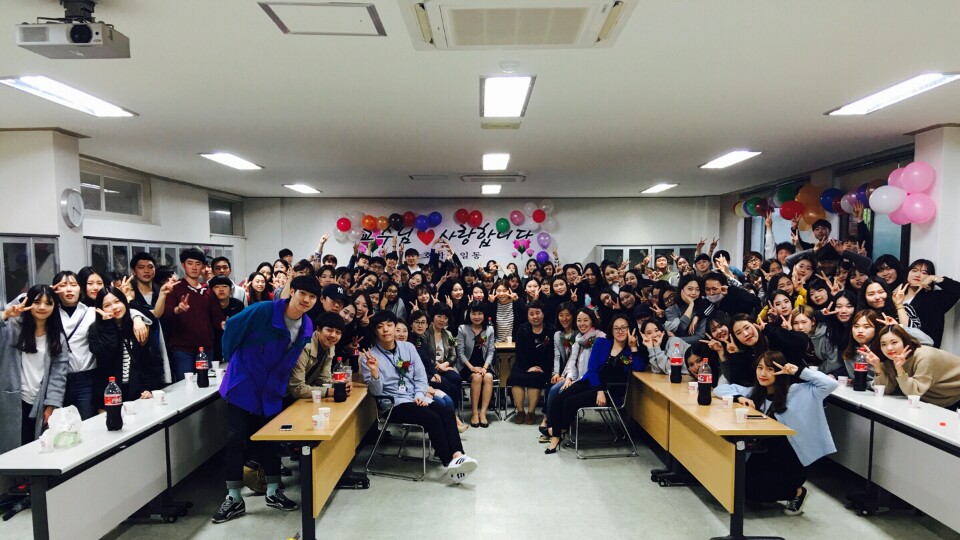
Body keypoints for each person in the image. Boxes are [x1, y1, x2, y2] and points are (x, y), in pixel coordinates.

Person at [213, 276, 321, 523]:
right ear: (292, 291)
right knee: (236, 438)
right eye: (302, 293)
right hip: (244, 382)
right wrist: (235, 362)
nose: (306, 300)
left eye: (312, 297)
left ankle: (273, 491)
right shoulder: (263, 310)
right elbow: (231, 328)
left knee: (273, 438)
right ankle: (233, 497)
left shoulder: (306, 325)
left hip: (272, 387)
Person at [714, 351, 839, 515]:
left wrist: (798, 371)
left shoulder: (799, 391)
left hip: (792, 457)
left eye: (770, 369)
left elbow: (830, 384)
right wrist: (738, 398)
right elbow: (720, 389)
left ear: (780, 371)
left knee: (753, 490)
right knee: (738, 486)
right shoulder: (755, 393)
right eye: (760, 368)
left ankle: (797, 492)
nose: (763, 373)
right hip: (765, 455)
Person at [361, 310, 479, 483]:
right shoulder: (369, 357)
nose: (385, 330)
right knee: (432, 417)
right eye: (380, 327)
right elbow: (377, 393)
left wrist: (419, 394)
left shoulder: (408, 348)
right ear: (375, 331)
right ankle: (450, 463)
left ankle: (458, 455)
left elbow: (420, 376)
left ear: (394, 327)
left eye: (389, 325)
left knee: (445, 410)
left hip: (415, 397)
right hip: (393, 404)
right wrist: (375, 373)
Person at [544, 314, 645, 453]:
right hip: (593, 383)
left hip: (611, 392)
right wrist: (599, 390)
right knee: (559, 396)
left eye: (624, 328)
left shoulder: (629, 350)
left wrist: (633, 347)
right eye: (616, 328)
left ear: (630, 329)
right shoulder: (602, 342)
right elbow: (592, 368)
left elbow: (638, 367)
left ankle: (557, 433)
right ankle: (557, 432)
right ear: (612, 330)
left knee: (570, 402)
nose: (620, 331)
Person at [0, 286, 69, 453]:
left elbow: (59, 373)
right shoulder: (12, 327)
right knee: (11, 449)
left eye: (48, 303)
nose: (42, 307)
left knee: (36, 448)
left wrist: (52, 404)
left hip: (39, 400)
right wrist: (5, 314)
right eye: (37, 302)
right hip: (11, 399)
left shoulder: (57, 336)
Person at [88, 287, 164, 402]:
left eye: (117, 301)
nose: (114, 307)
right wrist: (108, 325)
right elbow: (106, 355)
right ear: (100, 309)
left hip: (140, 392)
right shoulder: (95, 330)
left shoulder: (138, 325)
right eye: (107, 305)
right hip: (109, 393)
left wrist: (149, 387)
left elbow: (153, 360)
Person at [163, 248, 226, 382]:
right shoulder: (175, 288)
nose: (194, 267)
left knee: (207, 385)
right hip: (182, 350)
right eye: (190, 263)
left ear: (203, 267)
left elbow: (216, 316)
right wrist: (178, 309)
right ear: (183, 265)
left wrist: (223, 323)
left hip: (206, 348)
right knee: (185, 385)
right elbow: (166, 314)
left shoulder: (207, 291)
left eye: (198, 264)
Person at [866, 324, 960, 409]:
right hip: (932, 395)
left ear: (905, 341)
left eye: (894, 342)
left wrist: (899, 369)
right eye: (883, 344)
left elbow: (913, 394)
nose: (889, 348)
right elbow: (885, 390)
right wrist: (877, 367)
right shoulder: (889, 359)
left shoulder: (924, 357)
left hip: (954, 392)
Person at [508, 300, 555, 425]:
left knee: (535, 377)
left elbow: (551, 353)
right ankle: (520, 411)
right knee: (515, 378)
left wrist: (542, 367)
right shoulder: (522, 329)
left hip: (542, 365)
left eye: (537, 313)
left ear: (543, 314)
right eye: (531, 314)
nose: (535, 316)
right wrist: (528, 368)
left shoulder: (551, 329)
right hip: (523, 364)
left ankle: (531, 412)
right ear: (528, 316)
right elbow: (519, 352)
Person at [287, 311, 349, 401]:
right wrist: (330, 392)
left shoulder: (330, 346)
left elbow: (323, 378)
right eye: (329, 330)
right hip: (282, 396)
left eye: (338, 332)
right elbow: (297, 388)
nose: (333, 335)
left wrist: (340, 384)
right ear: (318, 329)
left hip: (300, 397)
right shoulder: (304, 346)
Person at [901, 259, 960, 347]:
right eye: (914, 270)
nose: (918, 275)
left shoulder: (934, 298)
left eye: (924, 273)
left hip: (922, 349)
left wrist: (933, 278)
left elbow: (957, 289)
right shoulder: (895, 297)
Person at [456, 302, 496, 427]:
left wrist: (485, 367)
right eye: (474, 313)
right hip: (467, 366)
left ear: (484, 315)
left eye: (480, 313)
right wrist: (471, 367)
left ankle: (483, 413)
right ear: (469, 314)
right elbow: (460, 352)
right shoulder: (462, 328)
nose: (477, 317)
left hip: (484, 366)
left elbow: (491, 351)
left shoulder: (489, 329)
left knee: (488, 377)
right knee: (477, 377)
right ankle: (474, 413)